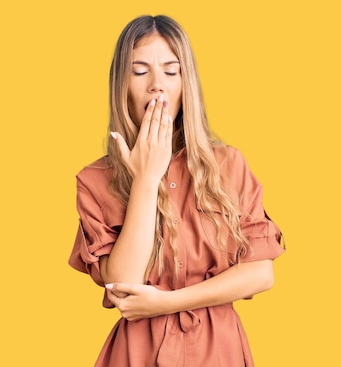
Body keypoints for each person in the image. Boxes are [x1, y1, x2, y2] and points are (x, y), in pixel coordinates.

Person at [68, 14, 285, 367]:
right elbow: (122, 282)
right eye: (140, 72)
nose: (157, 85)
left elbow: (261, 274)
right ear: (120, 84)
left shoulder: (229, 165)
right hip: (137, 355)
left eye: (171, 71)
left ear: (187, 83)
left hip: (219, 351)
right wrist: (145, 179)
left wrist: (166, 303)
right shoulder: (95, 180)